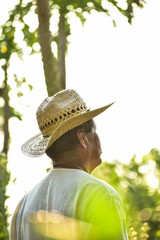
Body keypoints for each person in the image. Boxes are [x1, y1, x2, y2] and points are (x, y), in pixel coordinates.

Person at [10, 89, 128, 240]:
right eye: (95, 130)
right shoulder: (101, 194)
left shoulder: (22, 207)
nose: (98, 137)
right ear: (82, 138)